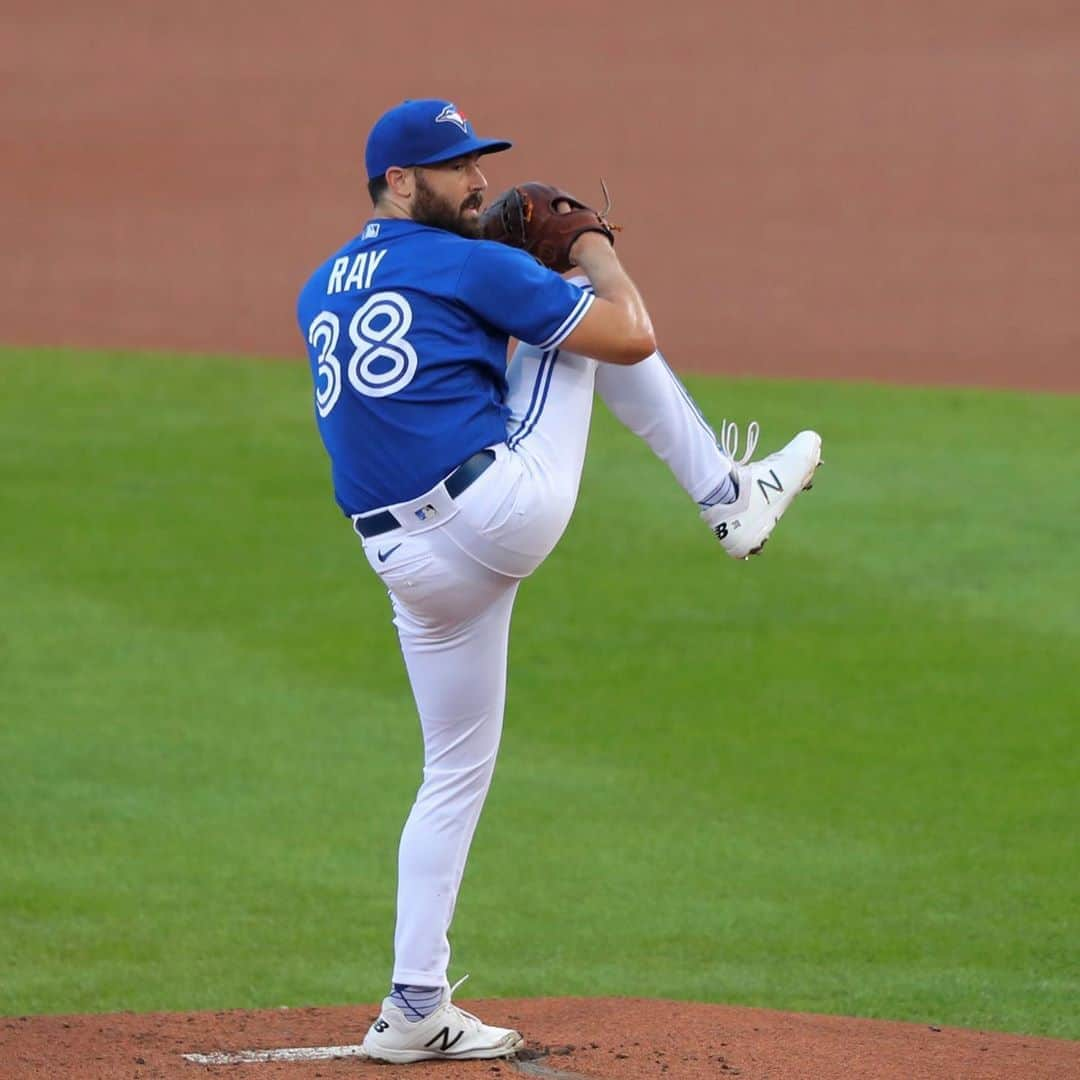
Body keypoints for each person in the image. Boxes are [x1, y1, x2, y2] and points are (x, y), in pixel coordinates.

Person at [296, 98, 821, 1065]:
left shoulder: (319, 286)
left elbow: (427, 382)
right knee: (579, 315)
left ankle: (415, 1004)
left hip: (406, 568)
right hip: (494, 515)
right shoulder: (469, 262)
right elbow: (630, 336)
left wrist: (517, 291)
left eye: (479, 163)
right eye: (457, 168)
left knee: (451, 771)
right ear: (401, 182)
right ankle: (728, 497)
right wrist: (594, 249)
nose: (483, 181)